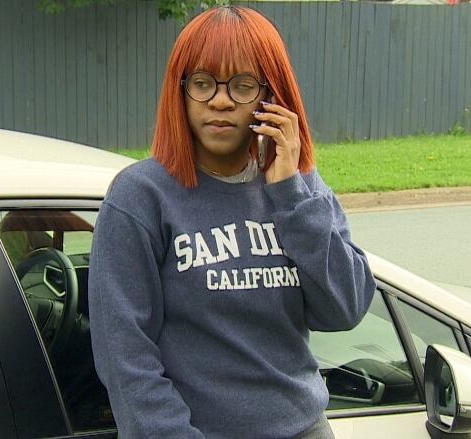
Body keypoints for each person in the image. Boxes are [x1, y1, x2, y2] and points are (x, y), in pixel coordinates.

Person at [88, 6, 376, 438]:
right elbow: (125, 355)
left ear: (271, 96)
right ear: (180, 92)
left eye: (242, 85)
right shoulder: (140, 197)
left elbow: (345, 308)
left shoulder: (299, 188)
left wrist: (291, 193)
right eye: (202, 83)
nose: (220, 100)